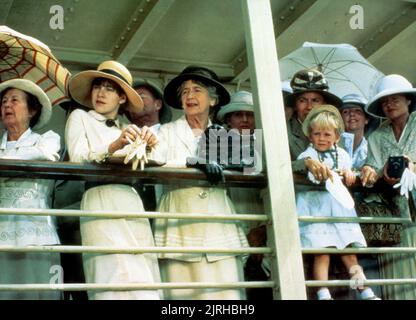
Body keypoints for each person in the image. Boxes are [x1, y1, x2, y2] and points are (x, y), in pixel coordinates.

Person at [150, 65, 249, 300]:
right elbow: (156, 161)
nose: (190, 96)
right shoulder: (166, 131)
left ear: (213, 100)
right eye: (184, 92)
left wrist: (227, 164)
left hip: (219, 227)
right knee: (183, 295)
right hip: (178, 224)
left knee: (227, 295)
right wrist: (194, 162)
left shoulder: (225, 134)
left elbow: (248, 165)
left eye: (197, 90)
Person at [65, 60, 162, 300]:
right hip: (98, 199)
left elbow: (159, 161)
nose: (101, 93)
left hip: (130, 202)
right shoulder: (79, 117)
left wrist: (150, 144)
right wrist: (113, 145)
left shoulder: (130, 126)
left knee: (142, 278)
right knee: (109, 276)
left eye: (109, 88)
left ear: (121, 98)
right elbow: (78, 158)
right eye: (98, 86)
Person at [296, 104, 380, 300]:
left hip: (338, 208)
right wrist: (319, 169)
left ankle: (363, 289)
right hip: (316, 207)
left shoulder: (342, 154)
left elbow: (346, 170)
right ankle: (323, 292)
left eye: (327, 134)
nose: (322, 138)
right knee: (322, 252)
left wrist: (348, 173)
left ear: (337, 137)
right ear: (310, 136)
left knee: (349, 251)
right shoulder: (308, 156)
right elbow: (314, 175)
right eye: (317, 134)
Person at [0, 79, 61, 299]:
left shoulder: (48, 139)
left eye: (15, 100)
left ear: (32, 110)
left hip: (38, 235)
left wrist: (5, 162)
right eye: (4, 101)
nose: (7, 105)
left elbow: (43, 154)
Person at [360, 74, 416, 300]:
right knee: (400, 280)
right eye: (385, 102)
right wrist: (374, 172)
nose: (389, 105)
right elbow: (370, 170)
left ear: (408, 100)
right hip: (396, 219)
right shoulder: (376, 136)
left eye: (395, 99)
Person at [216, 90, 271, 300]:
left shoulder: (268, 145)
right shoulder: (218, 143)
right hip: (230, 226)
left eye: (250, 114)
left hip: (265, 226)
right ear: (229, 119)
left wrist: (263, 229)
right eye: (238, 114)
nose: (245, 119)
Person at [286, 68, 342, 179]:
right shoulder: (282, 132)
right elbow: (273, 167)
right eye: (302, 100)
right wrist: (305, 163)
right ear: (295, 105)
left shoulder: (336, 130)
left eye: (315, 100)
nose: (309, 107)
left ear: (324, 104)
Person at [128, 80, 172, 211]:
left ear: (157, 105)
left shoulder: (172, 134)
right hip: (130, 203)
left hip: (166, 204)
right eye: (131, 100)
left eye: (140, 96)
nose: (134, 101)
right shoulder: (122, 135)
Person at [339, 93, 379, 170]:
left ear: (367, 119)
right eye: (346, 112)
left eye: (357, 111)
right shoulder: (332, 145)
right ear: (340, 120)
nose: (352, 114)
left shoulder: (373, 150)